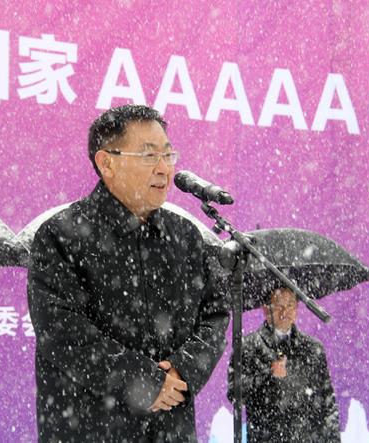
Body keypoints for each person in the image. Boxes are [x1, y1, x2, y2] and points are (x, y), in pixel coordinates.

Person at [27, 104, 229, 442]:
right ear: (107, 163)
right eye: (149, 156)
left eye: (168, 154)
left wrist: (184, 368)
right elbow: (61, 331)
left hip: (170, 429)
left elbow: (215, 313)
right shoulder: (61, 235)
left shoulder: (184, 236)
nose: (165, 169)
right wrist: (141, 381)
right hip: (90, 426)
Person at [227, 287, 340, 442]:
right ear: (265, 309)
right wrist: (268, 374)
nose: (285, 311)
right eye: (279, 305)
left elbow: (327, 404)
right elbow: (235, 394)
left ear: (297, 309)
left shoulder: (313, 349)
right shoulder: (247, 347)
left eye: (290, 305)